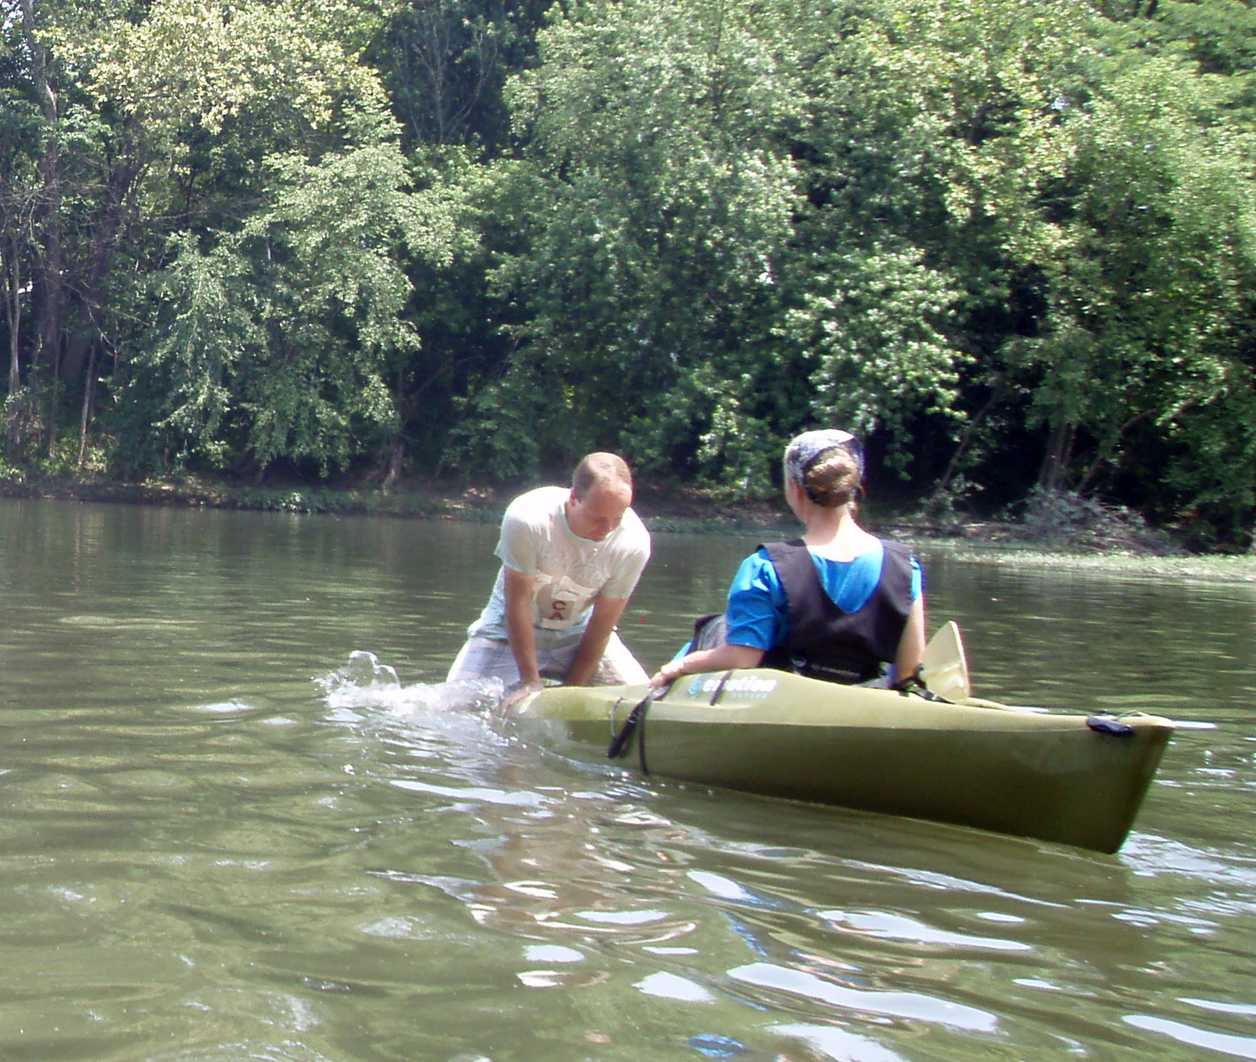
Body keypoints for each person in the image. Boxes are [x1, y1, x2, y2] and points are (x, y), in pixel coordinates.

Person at [649, 429, 925, 689]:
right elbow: (908, 672)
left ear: (795, 489)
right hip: (864, 698)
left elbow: (743, 657)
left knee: (716, 628)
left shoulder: (765, 565)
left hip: (782, 698)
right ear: (853, 488)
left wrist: (681, 665)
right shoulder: (906, 567)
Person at [447, 452, 651, 698]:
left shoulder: (633, 543)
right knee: (453, 704)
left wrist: (571, 693)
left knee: (643, 700)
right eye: (598, 518)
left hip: (578, 636)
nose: (607, 529)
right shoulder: (528, 518)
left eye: (617, 518)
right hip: (505, 632)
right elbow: (518, 603)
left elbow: (602, 626)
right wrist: (530, 682)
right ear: (573, 498)